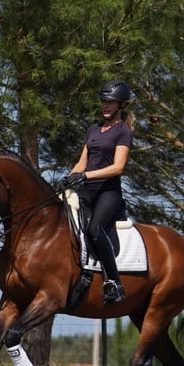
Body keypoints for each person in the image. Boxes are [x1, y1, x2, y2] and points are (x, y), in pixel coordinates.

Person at [62, 79, 134, 305]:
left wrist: (85, 176)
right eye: (103, 102)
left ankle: (113, 282)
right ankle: (80, 271)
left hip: (108, 193)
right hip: (88, 191)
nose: (105, 106)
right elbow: (83, 161)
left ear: (121, 105)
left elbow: (117, 167)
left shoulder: (123, 132)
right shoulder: (92, 129)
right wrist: (68, 178)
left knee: (94, 228)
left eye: (110, 103)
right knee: (66, 222)